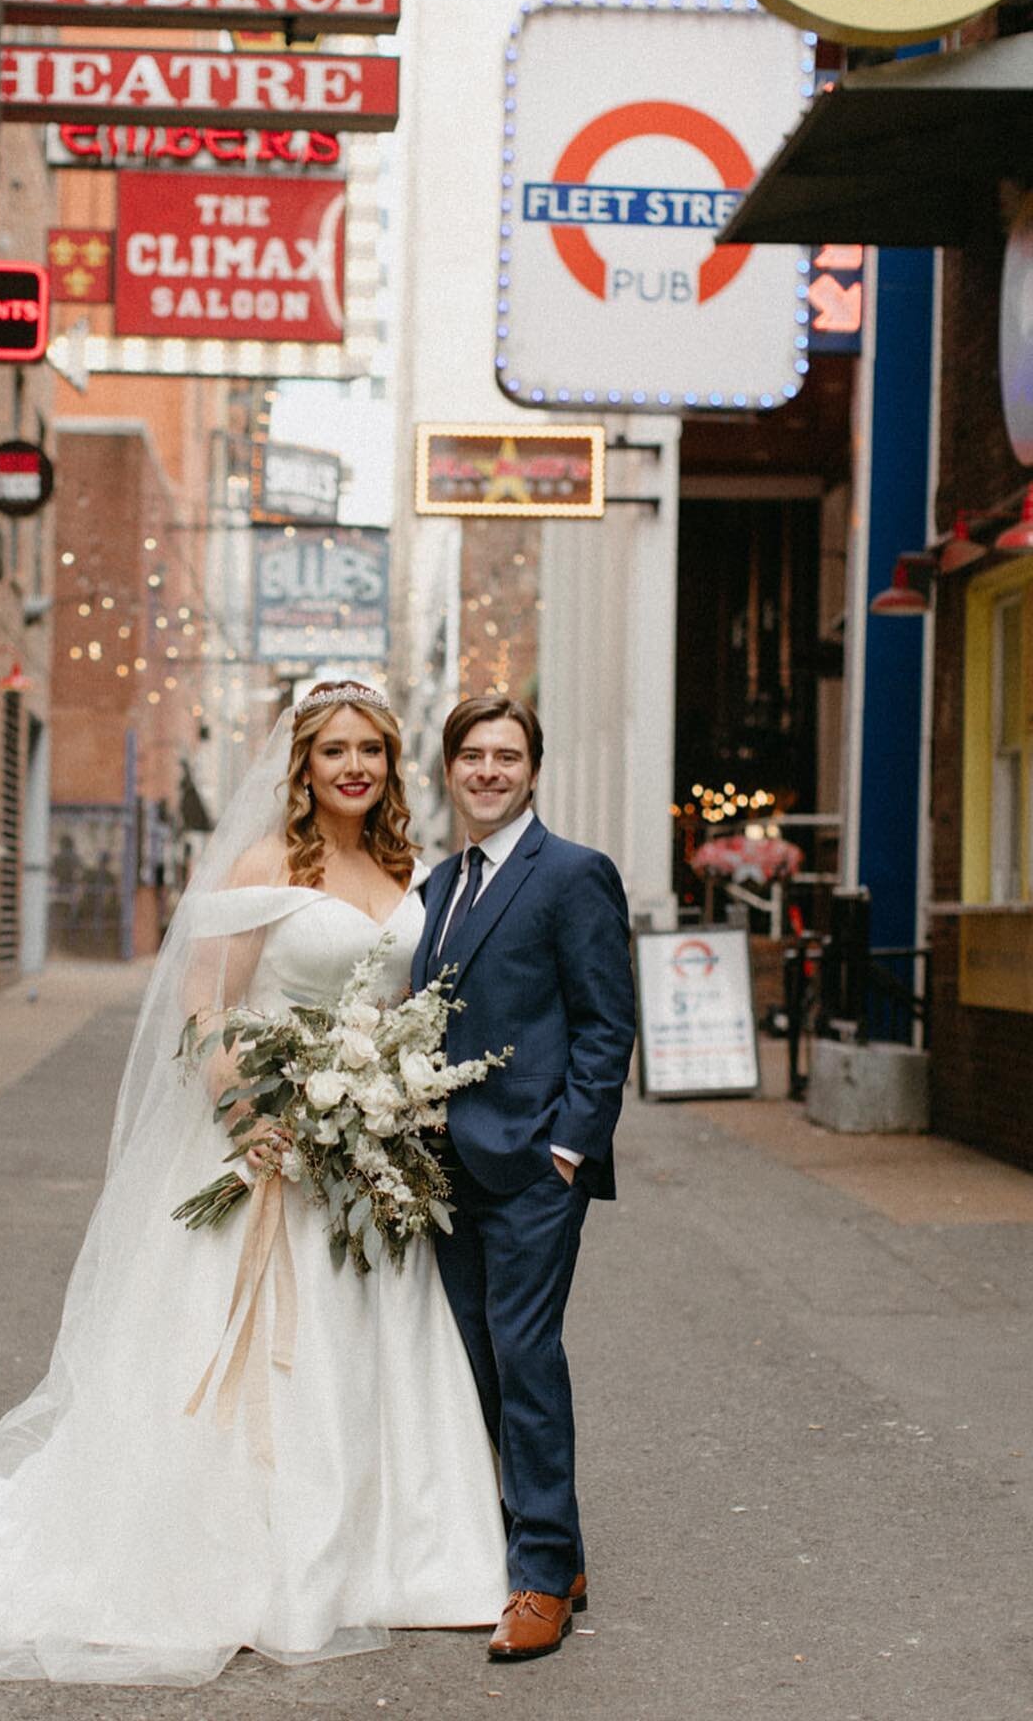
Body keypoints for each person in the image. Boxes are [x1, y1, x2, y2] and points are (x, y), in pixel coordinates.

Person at [0, 682, 506, 1688]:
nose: (355, 766)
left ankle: (401, 1554)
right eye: (335, 749)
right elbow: (202, 1000)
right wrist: (249, 1112)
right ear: (301, 765)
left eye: (373, 752)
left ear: (393, 768)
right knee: (248, 1362)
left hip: (366, 1149)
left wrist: (383, 1098)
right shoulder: (268, 863)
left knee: (371, 1338)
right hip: (267, 1143)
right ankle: (252, 1554)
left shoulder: (405, 871)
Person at [412, 695, 637, 1663]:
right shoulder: (439, 884)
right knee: (472, 1365)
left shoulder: (574, 874)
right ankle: (561, 1548)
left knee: (524, 1357)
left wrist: (569, 1149)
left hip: (535, 1167)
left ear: (534, 770)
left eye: (508, 756)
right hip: (443, 1164)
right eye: (473, 755)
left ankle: (540, 1578)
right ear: (450, 770)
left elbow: (604, 1021)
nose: (490, 771)